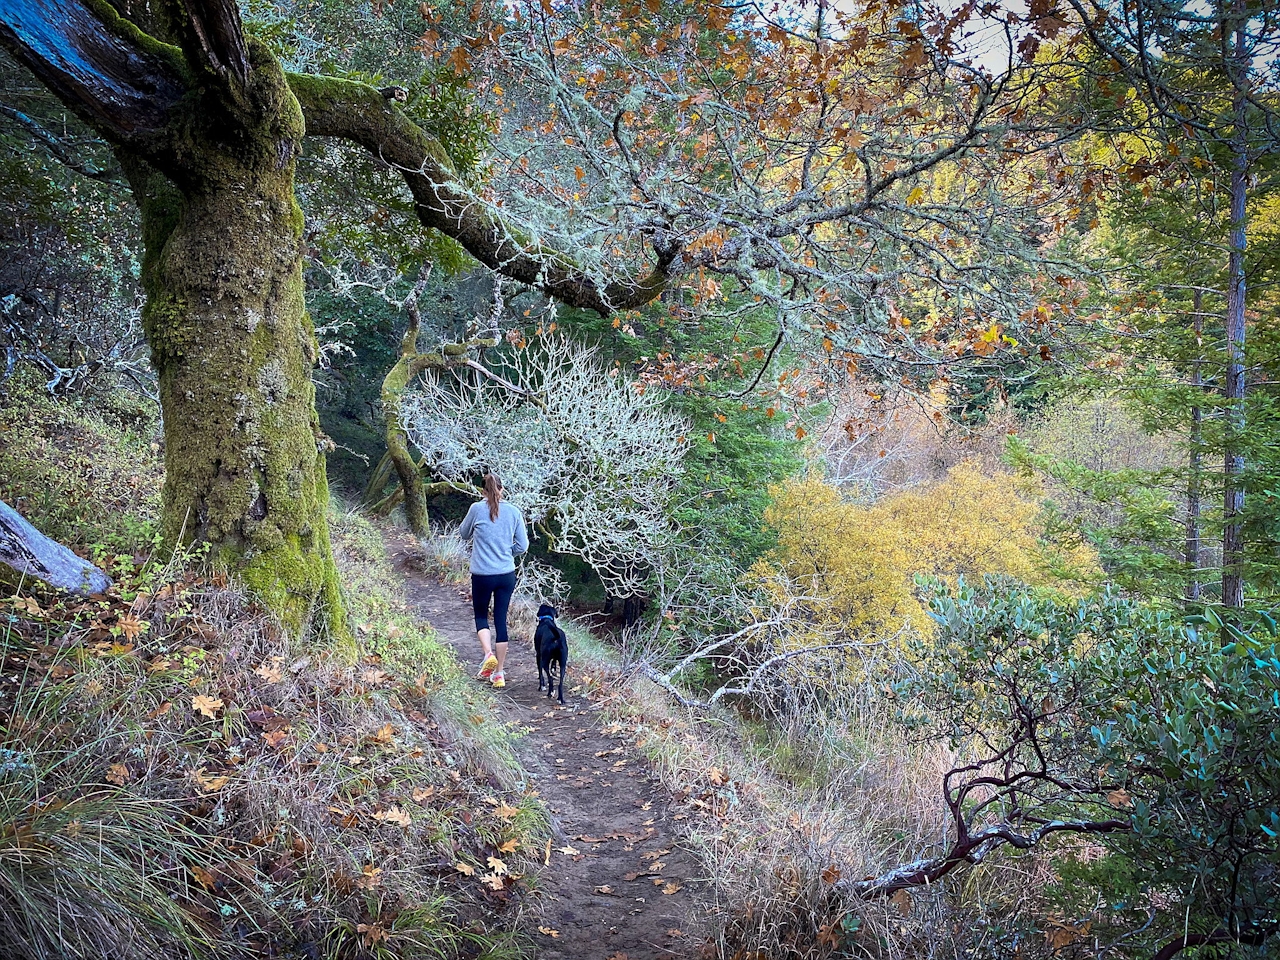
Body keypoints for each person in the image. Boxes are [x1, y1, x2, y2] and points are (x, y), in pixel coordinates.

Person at [457, 471, 528, 688]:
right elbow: (523, 546)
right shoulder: (514, 512)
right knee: (500, 620)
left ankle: (488, 654)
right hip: (506, 574)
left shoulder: (476, 509)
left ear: (482, 491)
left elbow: (463, 533)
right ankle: (499, 674)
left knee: (481, 615)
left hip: (482, 575)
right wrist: (507, 553)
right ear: (502, 489)